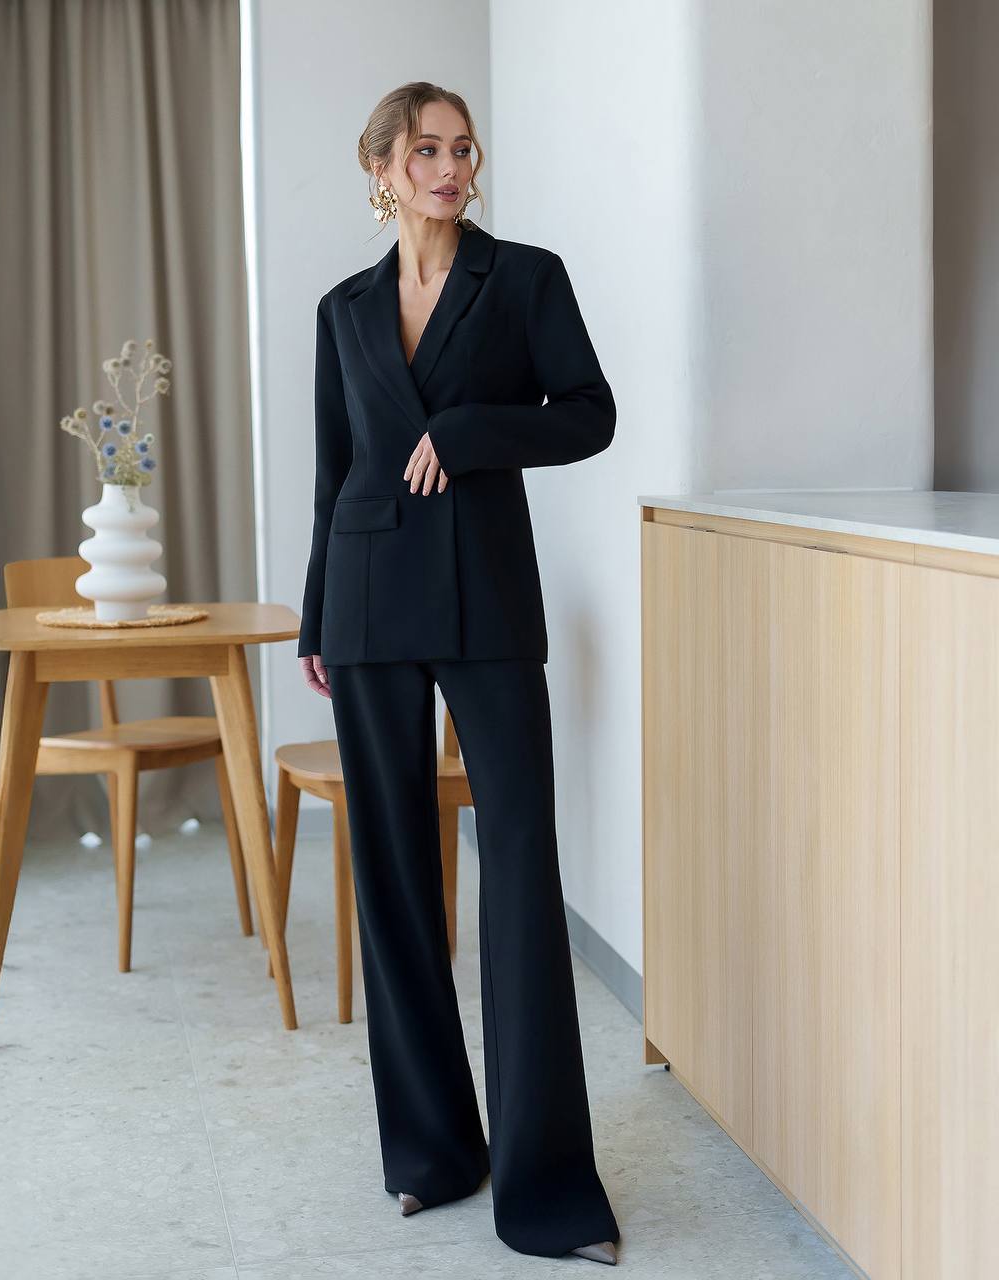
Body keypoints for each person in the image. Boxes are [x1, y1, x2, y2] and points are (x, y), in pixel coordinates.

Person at [297, 81, 620, 1266]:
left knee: (519, 874)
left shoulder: (523, 277)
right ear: (381, 166)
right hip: (372, 604)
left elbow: (589, 412)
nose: (450, 164)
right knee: (392, 878)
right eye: (425, 148)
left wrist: (476, 428)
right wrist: (317, 615)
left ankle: (545, 1186)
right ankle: (432, 1151)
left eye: (461, 146)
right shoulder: (341, 308)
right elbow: (334, 469)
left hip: (486, 597)